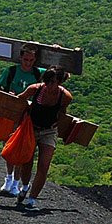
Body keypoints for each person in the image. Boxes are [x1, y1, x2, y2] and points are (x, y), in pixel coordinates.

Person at [15, 66, 72, 210]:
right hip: (32, 128)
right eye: (48, 82)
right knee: (27, 162)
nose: (50, 86)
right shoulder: (35, 89)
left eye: (54, 82)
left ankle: (32, 200)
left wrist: (63, 132)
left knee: (44, 166)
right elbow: (20, 99)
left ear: (59, 82)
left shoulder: (65, 96)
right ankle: (25, 187)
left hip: (50, 131)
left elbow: (62, 114)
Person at [0, 43, 45, 196]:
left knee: (21, 148)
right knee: (8, 146)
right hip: (11, 114)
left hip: (28, 117)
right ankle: (8, 179)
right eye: (26, 59)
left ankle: (16, 182)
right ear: (21, 58)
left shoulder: (39, 73)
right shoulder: (11, 71)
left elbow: (61, 76)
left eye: (31, 60)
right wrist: (7, 94)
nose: (28, 63)